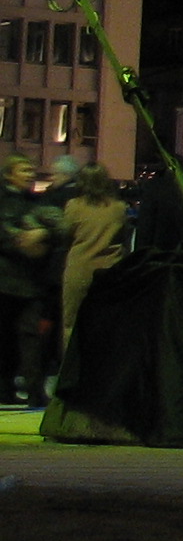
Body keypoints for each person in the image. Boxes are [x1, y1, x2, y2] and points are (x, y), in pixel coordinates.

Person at [0, 155, 62, 406]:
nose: (30, 173)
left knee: (30, 338)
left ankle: (35, 390)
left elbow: (59, 226)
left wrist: (41, 233)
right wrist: (24, 240)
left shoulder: (36, 201)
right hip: (5, 281)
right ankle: (5, 388)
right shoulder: (5, 201)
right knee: (5, 339)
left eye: (31, 169)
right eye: (23, 169)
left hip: (30, 282)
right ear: (9, 175)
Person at [55, 164, 127, 339]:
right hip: (110, 271)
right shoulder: (119, 208)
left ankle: (73, 364)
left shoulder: (74, 206)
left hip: (80, 270)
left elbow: (64, 235)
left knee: (72, 324)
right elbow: (124, 238)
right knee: (106, 325)